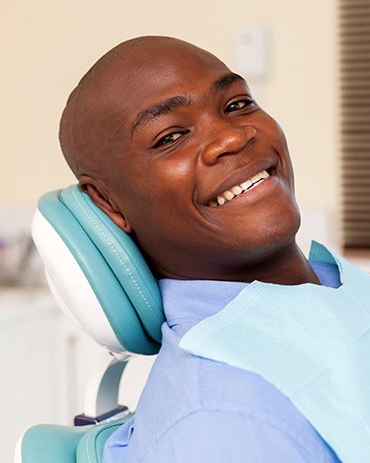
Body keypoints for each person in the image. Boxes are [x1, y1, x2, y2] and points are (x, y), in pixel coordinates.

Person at [59, 36, 341, 462]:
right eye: (171, 136)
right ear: (108, 203)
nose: (231, 137)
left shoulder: (336, 288)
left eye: (236, 104)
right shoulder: (222, 420)